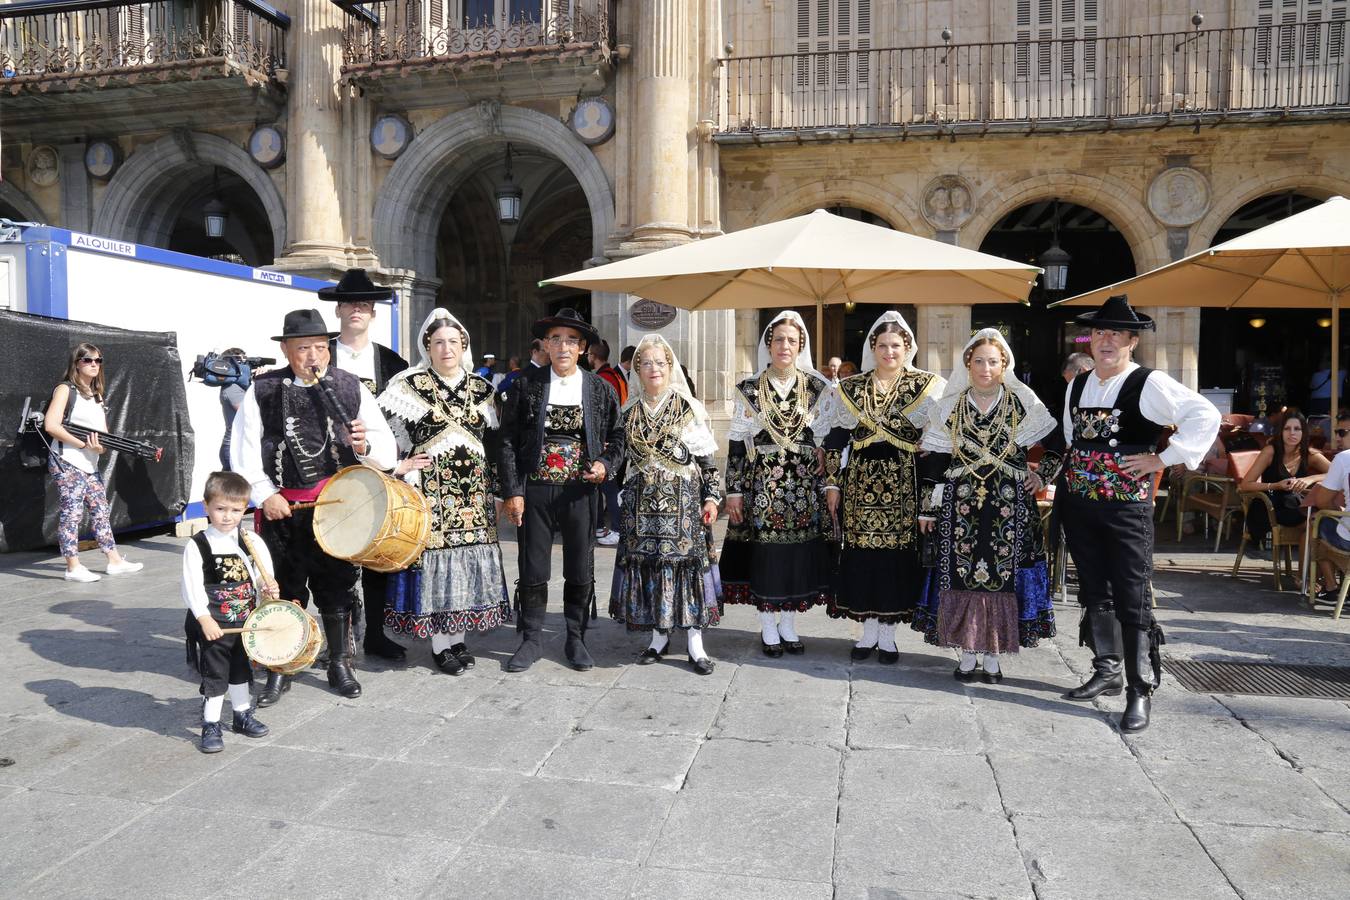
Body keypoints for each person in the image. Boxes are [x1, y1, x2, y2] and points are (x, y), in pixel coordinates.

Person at [1058, 295, 1220, 733]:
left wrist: (1165, 458)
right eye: (1100, 333)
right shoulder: (1078, 383)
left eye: (1116, 334)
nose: (1106, 341)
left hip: (1126, 507)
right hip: (1080, 504)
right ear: (1091, 340)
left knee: (1132, 592)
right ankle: (1106, 668)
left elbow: (1204, 413)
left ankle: (1139, 687)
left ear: (1132, 341)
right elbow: (1074, 441)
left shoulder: (1149, 383)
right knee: (1093, 588)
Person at [231, 308, 397, 704]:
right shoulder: (263, 389)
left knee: (336, 588)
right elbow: (244, 450)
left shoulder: (349, 386)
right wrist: (264, 494)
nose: (313, 357)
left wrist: (363, 446)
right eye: (303, 347)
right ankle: (281, 666)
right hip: (281, 510)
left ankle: (340, 663)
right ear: (287, 349)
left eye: (321, 347)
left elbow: (386, 451)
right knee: (284, 589)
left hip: (334, 509)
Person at [913, 329, 1057, 681]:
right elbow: (934, 463)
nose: (986, 368)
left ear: (1003, 364)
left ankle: (993, 653)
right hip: (960, 505)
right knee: (962, 573)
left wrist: (1042, 477)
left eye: (993, 361)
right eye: (979, 361)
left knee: (1003, 579)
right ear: (968, 364)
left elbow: (1056, 441)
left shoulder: (1024, 403)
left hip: (1010, 504)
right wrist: (927, 509)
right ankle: (967, 651)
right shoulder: (949, 406)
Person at [379, 308, 510, 674]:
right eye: (439, 342)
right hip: (431, 492)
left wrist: (498, 492)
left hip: (475, 496)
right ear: (428, 346)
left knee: (467, 562)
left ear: (464, 345)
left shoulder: (483, 389)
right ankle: (440, 643)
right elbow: (386, 431)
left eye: (453, 341)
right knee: (437, 562)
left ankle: (458, 638)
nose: (446, 348)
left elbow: (496, 444)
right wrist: (400, 465)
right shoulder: (410, 385)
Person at [499, 308, 626, 672]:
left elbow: (618, 436)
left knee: (579, 566)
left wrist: (604, 463)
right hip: (535, 490)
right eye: (556, 339)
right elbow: (506, 441)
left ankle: (575, 637)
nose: (563, 346)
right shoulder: (525, 385)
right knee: (533, 565)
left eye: (572, 340)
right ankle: (532, 639)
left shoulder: (600, 389)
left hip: (580, 492)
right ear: (546, 344)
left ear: (584, 347)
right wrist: (513, 491)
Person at [823, 312, 944, 663]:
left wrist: (927, 499)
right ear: (872, 348)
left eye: (896, 345)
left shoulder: (929, 386)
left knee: (895, 559)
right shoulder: (852, 387)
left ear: (908, 348)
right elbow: (835, 437)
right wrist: (832, 483)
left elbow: (937, 442)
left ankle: (888, 635)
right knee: (862, 555)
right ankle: (868, 632)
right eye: (882, 346)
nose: (889, 352)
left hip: (904, 480)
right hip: (860, 482)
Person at [721, 310, 836, 656]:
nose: (785, 345)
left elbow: (829, 439)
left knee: (798, 554)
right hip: (765, 489)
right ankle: (768, 625)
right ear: (768, 344)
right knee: (768, 555)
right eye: (779, 339)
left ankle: (789, 624)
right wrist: (735, 491)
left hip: (803, 488)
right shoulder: (750, 389)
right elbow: (738, 443)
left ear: (801, 345)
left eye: (792, 340)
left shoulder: (818, 387)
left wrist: (828, 474)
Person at [609, 334, 722, 674]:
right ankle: (659, 636)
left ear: (670, 368)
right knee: (651, 565)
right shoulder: (628, 413)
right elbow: (620, 459)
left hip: (683, 506)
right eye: (646, 363)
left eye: (660, 363)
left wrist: (712, 497)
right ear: (637, 370)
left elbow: (707, 463)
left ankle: (695, 643)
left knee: (685, 567)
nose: (653, 369)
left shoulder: (688, 408)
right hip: (641, 507)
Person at [322, 269, 412, 662]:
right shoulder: (318, 353)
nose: (356, 310)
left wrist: (402, 463)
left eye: (363, 304)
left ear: (372, 311)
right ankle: (337, 639)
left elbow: (404, 420)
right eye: (349, 303)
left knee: (378, 557)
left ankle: (375, 632)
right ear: (338, 309)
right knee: (331, 560)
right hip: (325, 472)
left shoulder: (393, 363)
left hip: (376, 473)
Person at [182, 471, 279, 753]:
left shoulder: (250, 541)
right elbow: (192, 587)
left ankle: (241, 714)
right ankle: (210, 723)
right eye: (220, 509)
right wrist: (203, 618)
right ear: (206, 506)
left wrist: (268, 586)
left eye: (235, 510)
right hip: (215, 623)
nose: (227, 516)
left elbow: (262, 574)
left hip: (245, 623)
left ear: (245, 508)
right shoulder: (198, 545)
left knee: (240, 670)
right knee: (215, 675)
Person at [43, 342, 144, 582]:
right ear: (76, 363)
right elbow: (51, 425)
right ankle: (72, 566)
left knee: (101, 511)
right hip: (66, 460)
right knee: (72, 513)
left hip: (89, 463)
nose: (94, 364)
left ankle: (115, 561)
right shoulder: (65, 390)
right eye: (87, 360)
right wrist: (82, 445)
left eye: (98, 360)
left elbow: (103, 436)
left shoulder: (96, 395)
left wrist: (100, 448)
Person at [1238, 407, 1328, 559]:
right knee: (1318, 526)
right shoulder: (1270, 451)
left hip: (1294, 506)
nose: (1292, 433)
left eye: (1297, 429)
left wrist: (1310, 479)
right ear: (1280, 431)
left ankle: (1306, 575)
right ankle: (1307, 575)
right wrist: (1275, 485)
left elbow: (1338, 472)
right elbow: (1245, 485)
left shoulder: (1309, 454)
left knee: (1318, 524)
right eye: (1287, 428)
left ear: (1303, 432)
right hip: (1269, 507)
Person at [589, 339, 627, 547]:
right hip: (611, 440)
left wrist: (602, 439)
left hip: (605, 442)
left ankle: (615, 528)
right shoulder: (615, 376)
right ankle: (603, 527)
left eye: (588, 355)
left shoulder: (603, 379)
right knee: (607, 487)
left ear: (593, 356)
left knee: (608, 488)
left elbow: (604, 414)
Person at [1310, 413, 1350, 602]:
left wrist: (1341, 512)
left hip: (1348, 540)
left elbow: (1322, 501)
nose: (1337, 437)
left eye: (1342, 432)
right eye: (1336, 432)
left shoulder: (1343, 458)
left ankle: (1331, 587)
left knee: (1317, 523)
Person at [218, 348, 248, 471]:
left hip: (240, 447)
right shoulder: (231, 388)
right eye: (241, 361)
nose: (246, 366)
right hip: (233, 449)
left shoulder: (239, 386)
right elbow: (249, 413)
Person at [1307, 353, 1345, 417]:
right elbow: (1343, 368)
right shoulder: (1340, 373)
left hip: (1316, 401)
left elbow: (1311, 387)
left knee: (1315, 419)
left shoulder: (1316, 375)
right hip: (1332, 400)